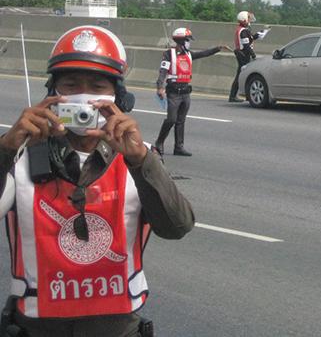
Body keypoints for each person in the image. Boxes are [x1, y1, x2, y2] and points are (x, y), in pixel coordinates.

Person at [0, 25, 194, 336]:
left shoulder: (139, 157)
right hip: (37, 327)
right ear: (52, 94)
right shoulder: (19, 154)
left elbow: (176, 226)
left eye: (97, 85)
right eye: (71, 84)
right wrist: (6, 149)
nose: (83, 96)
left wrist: (140, 161)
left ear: (119, 96)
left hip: (116, 328)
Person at [153, 27, 229, 156]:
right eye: (188, 40)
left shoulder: (188, 54)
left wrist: (218, 48)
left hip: (185, 92)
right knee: (171, 119)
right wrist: (160, 87)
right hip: (174, 92)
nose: (189, 42)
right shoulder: (168, 54)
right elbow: (163, 71)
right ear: (181, 40)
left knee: (181, 120)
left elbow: (203, 54)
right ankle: (159, 142)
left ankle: (179, 147)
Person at [228, 11, 267, 102]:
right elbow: (246, 45)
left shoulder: (243, 30)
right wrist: (253, 55)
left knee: (242, 74)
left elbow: (251, 38)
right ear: (244, 19)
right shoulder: (243, 31)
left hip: (242, 54)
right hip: (243, 55)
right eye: (248, 18)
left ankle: (236, 96)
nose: (250, 20)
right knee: (242, 75)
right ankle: (234, 96)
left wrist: (260, 33)